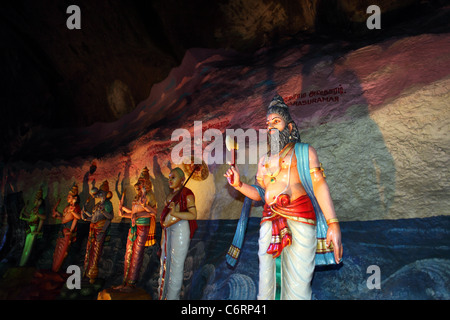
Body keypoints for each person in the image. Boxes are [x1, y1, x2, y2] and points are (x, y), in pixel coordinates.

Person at [224, 95, 343, 300]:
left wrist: (333, 223)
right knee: (266, 284)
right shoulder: (264, 160)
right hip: (269, 224)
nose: (270, 126)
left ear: (289, 127)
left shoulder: (304, 152)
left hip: (299, 220)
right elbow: (260, 194)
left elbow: (319, 185)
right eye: (268, 123)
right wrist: (239, 185)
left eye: (276, 122)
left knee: (297, 286)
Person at [114, 167, 157, 292]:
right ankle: (125, 282)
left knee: (137, 254)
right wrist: (123, 211)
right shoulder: (137, 197)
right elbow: (134, 213)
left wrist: (140, 210)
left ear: (146, 184)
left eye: (141, 183)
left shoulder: (149, 196)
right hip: (133, 227)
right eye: (138, 183)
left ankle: (131, 284)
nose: (138, 186)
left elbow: (153, 213)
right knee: (128, 253)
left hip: (143, 227)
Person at [158, 167, 197, 300]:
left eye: (173, 177)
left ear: (182, 180)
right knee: (164, 263)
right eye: (169, 177)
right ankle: (161, 295)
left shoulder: (187, 193)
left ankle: (172, 298)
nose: (170, 180)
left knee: (176, 266)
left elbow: (193, 215)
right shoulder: (170, 196)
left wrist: (175, 213)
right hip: (167, 230)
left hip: (180, 229)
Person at [82, 180, 114, 284]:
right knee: (90, 249)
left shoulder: (107, 204)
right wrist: (85, 215)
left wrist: (103, 230)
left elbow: (110, 218)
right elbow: (93, 217)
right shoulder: (97, 205)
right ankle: (86, 271)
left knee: (96, 251)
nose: (99, 195)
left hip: (100, 229)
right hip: (93, 228)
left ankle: (92, 274)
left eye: (101, 193)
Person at [51, 184, 81, 272]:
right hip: (62, 229)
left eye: (69, 197)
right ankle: (54, 268)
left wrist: (71, 231)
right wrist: (57, 215)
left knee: (64, 251)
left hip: (68, 230)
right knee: (57, 249)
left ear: (74, 198)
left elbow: (77, 218)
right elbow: (64, 218)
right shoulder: (67, 207)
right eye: (68, 196)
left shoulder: (75, 207)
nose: (67, 198)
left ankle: (59, 268)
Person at [19, 187, 46, 266]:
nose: (36, 197)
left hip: (34, 227)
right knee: (26, 246)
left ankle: (24, 263)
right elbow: (30, 216)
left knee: (29, 247)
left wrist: (38, 230)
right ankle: (22, 263)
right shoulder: (34, 209)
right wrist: (24, 210)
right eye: (36, 195)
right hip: (30, 227)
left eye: (38, 195)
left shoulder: (39, 209)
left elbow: (42, 218)